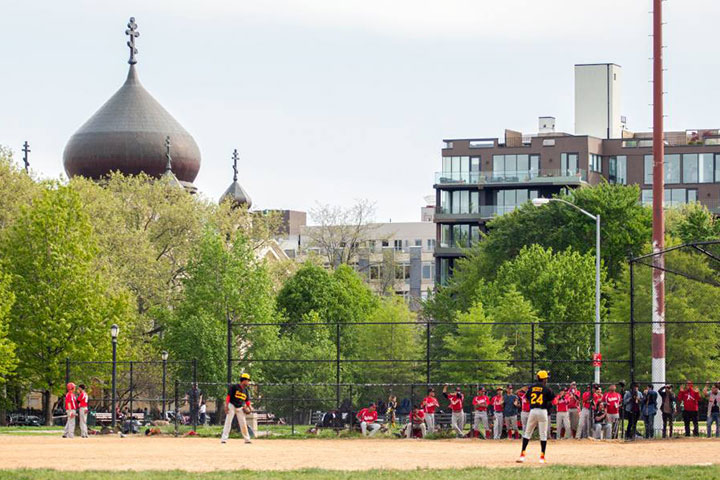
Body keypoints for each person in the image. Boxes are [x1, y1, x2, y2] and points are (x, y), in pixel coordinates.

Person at [517, 370, 554, 464]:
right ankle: (542, 457)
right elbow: (552, 400)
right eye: (546, 378)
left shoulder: (532, 387)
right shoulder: (547, 388)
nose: (546, 380)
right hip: (543, 412)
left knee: (527, 433)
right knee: (543, 434)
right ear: (544, 379)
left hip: (533, 411)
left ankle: (522, 456)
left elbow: (527, 398)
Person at [221, 373, 252, 444]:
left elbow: (247, 401)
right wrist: (226, 406)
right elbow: (228, 396)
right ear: (243, 380)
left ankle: (247, 439)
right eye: (247, 380)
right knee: (228, 422)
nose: (248, 382)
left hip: (240, 407)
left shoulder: (246, 390)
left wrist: (250, 408)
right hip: (231, 405)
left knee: (243, 423)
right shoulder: (234, 387)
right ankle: (224, 439)